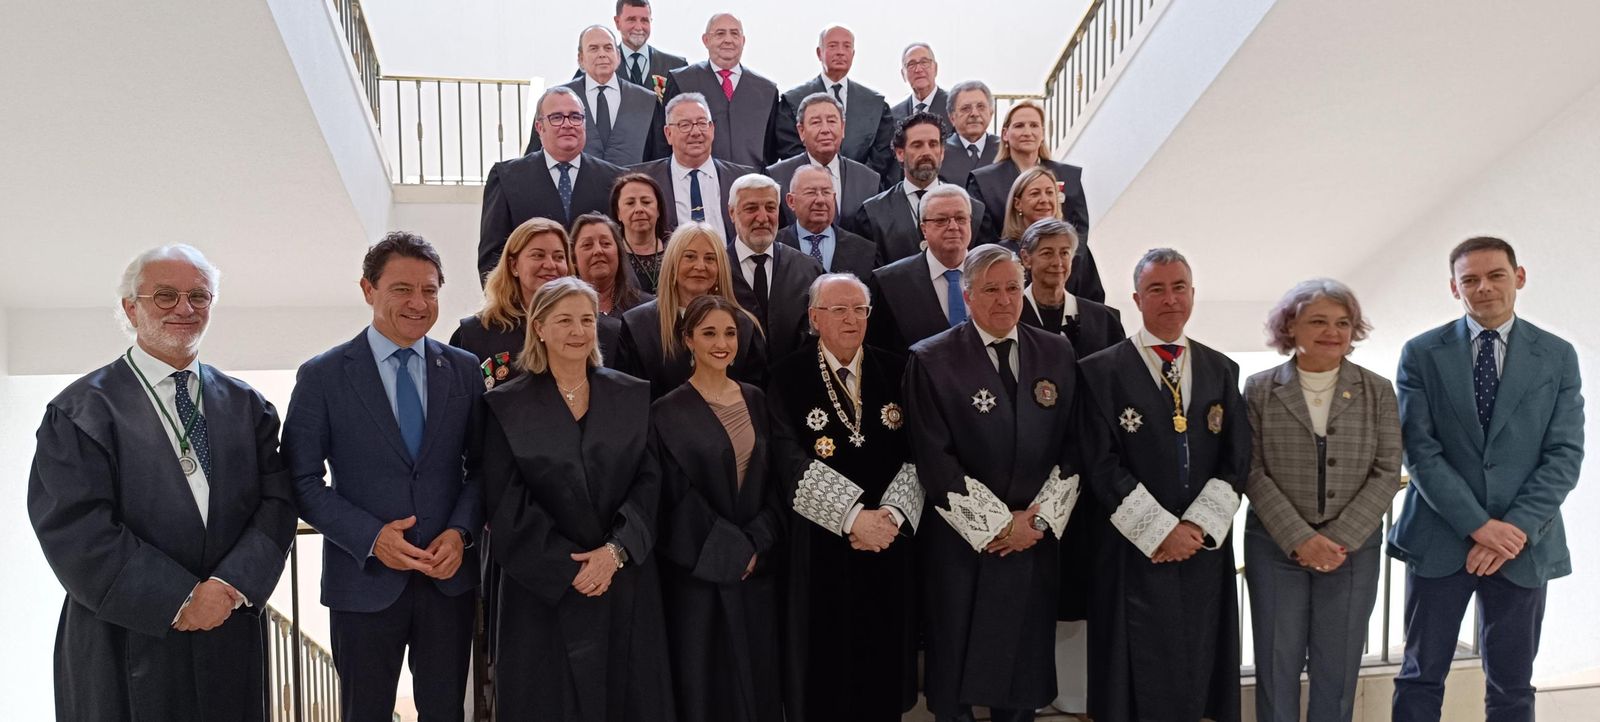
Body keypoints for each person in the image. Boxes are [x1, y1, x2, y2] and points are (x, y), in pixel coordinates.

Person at [27, 245, 297, 721]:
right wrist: (179, 598)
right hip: (124, 632)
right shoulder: (78, 411)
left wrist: (228, 587)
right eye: (165, 296)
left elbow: (276, 502)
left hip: (226, 624)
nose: (184, 308)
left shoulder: (247, 405)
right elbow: (76, 528)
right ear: (131, 308)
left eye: (199, 296)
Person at [283, 232, 484, 722]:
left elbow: (483, 469)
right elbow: (300, 480)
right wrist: (372, 538)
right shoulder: (323, 376)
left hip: (447, 581)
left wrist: (460, 534)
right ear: (368, 290)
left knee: (447, 712)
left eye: (430, 290)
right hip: (364, 581)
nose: (418, 303)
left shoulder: (463, 369)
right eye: (401, 289)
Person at [1389, 237, 1583, 722]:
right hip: (1439, 538)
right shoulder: (1421, 353)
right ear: (1454, 288)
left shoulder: (1557, 356)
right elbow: (1421, 450)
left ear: (1518, 277)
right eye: (1469, 279)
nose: (1484, 288)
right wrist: (1479, 526)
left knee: (1513, 685)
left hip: (1524, 544)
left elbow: (1564, 455)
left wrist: (1508, 531)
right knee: (1420, 677)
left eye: (1495, 275)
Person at [478, 277, 675, 721]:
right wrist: (570, 569)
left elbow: (650, 482)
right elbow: (505, 502)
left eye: (587, 319)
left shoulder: (632, 394)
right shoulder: (504, 405)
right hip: (542, 593)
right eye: (564, 320)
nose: (578, 331)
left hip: (624, 581)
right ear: (539, 327)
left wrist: (615, 552)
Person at [905, 244, 1083, 722]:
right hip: (964, 547)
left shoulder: (1056, 350)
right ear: (967, 294)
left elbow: (1073, 445)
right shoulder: (932, 359)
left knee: (1019, 677)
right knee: (957, 674)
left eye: (1012, 287)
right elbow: (932, 457)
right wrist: (998, 525)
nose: (1005, 299)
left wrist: (1037, 522)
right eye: (991, 290)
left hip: (1033, 544)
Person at [1078, 248, 1247, 722]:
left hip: (1202, 552)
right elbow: (1100, 463)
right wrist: (1159, 531)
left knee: (1200, 667)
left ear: (1192, 294)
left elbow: (1237, 461)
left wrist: (1194, 528)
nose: (1170, 299)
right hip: (1132, 551)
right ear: (1136, 298)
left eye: (1179, 288)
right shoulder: (1099, 371)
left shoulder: (1221, 369)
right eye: (1157, 289)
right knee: (1133, 681)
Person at [1244, 278, 1402, 722]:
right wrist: (1299, 538)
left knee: (1338, 668)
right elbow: (1251, 470)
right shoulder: (1258, 389)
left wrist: (1339, 538)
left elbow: (1387, 470)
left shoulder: (1378, 390)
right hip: (1275, 549)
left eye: (1343, 322)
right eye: (1318, 321)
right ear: (1291, 326)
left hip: (1351, 553)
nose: (1332, 331)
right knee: (1277, 667)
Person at [769, 273, 921, 722]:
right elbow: (785, 454)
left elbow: (918, 449)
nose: (851, 319)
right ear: (815, 318)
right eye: (838, 309)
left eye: (859, 309)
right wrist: (853, 518)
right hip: (822, 546)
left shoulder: (897, 369)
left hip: (888, 543)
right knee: (827, 668)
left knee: (883, 663)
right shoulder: (786, 375)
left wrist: (889, 517)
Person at [652, 294, 786, 722]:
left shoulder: (758, 400)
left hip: (756, 571)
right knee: (707, 689)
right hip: (698, 576)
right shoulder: (665, 412)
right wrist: (731, 552)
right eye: (709, 333)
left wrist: (756, 543)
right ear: (688, 339)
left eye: (729, 333)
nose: (722, 343)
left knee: (759, 684)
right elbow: (672, 498)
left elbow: (776, 483)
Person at [1014, 217, 1124, 716]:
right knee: (1036, 585)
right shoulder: (1014, 316)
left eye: (1065, 254)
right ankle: (1035, 690)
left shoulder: (1104, 320)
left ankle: (1078, 695)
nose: (1057, 264)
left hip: (1091, 475)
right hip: (1029, 473)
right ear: (1027, 260)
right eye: (1047, 254)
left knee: (1083, 582)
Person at [481, 86, 627, 281]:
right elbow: (492, 256)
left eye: (575, 117)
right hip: (529, 304)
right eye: (557, 117)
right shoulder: (507, 178)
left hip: (596, 303)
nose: (567, 124)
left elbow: (624, 249)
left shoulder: (614, 179)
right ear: (540, 127)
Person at [614, 222, 769, 399]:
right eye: (689, 257)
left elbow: (754, 400)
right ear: (672, 263)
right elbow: (629, 400)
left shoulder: (744, 327)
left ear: (720, 269)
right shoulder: (638, 326)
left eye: (710, 258)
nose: (700, 266)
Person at [966, 101, 1100, 301]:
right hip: (1010, 276)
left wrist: (1062, 266)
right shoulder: (983, 181)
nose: (1027, 132)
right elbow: (983, 239)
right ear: (1005, 134)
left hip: (1070, 274)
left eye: (1034, 125)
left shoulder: (1069, 175)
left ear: (1043, 132)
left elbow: (1080, 227)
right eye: (1019, 126)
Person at [852, 111, 991, 265]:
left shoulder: (974, 211)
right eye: (917, 145)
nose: (926, 152)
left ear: (942, 152)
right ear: (900, 153)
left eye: (933, 144)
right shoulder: (872, 214)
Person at [452, 217, 573, 390]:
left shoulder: (590, 328)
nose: (550, 264)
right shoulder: (476, 333)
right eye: (538, 255)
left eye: (559, 257)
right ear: (513, 265)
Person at [530, 25, 667, 165]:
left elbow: (659, 157)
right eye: (593, 48)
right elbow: (535, 155)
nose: (602, 54)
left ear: (618, 56)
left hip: (631, 183)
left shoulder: (646, 100)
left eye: (608, 48)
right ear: (580, 59)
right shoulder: (553, 100)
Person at [632, 92, 759, 242]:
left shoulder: (743, 178)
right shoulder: (642, 180)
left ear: (711, 129)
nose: (696, 132)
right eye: (685, 125)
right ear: (668, 133)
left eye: (702, 123)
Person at [726, 173, 826, 362]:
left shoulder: (807, 270)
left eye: (770, 208)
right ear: (732, 213)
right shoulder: (716, 269)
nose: (763, 218)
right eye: (751, 208)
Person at [867, 184, 975, 356]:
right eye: (941, 220)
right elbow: (879, 351)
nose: (953, 226)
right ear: (924, 228)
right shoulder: (889, 282)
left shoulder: (990, 273)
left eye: (961, 218)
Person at [776, 25, 897, 179]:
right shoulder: (792, 100)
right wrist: (820, 177)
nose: (840, 52)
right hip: (808, 186)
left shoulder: (876, 104)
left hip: (862, 190)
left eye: (846, 46)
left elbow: (882, 152)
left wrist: (857, 180)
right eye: (833, 46)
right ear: (819, 53)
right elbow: (789, 148)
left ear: (853, 54)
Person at [662, 13, 779, 168]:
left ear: (743, 41)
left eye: (735, 34)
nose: (728, 40)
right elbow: (664, 141)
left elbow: (771, 150)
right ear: (706, 40)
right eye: (720, 34)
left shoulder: (767, 90)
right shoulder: (681, 81)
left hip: (751, 184)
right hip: (695, 182)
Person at [767, 93, 882, 223]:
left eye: (832, 121)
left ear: (843, 128)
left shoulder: (869, 180)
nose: (825, 130)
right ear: (801, 131)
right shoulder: (776, 177)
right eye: (816, 122)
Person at [1000, 168, 1104, 301]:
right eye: (1035, 193)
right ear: (1018, 204)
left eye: (1050, 193)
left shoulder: (1076, 249)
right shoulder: (1004, 253)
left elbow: (1094, 299)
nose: (1044, 200)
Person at [777, 163, 878, 280]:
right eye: (811, 192)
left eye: (826, 192)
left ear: (834, 198)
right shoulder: (774, 247)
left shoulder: (864, 250)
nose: (820, 200)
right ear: (791, 201)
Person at [573, 211, 652, 317]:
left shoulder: (648, 309)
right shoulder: (562, 309)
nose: (598, 251)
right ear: (573, 258)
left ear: (619, 253)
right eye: (587, 245)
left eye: (605, 243)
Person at [611, 172, 671, 294]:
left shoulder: (675, 250)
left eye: (646, 202)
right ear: (618, 213)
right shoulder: (611, 254)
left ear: (658, 209)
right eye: (630, 203)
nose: (639, 209)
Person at [611, 0, 688, 88]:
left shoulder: (677, 66)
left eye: (644, 20)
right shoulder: (602, 65)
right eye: (631, 20)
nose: (638, 27)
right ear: (617, 22)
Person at [939, 80, 998, 185]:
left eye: (981, 107)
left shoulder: (1004, 149)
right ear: (952, 117)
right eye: (966, 108)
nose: (974, 114)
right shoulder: (940, 152)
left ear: (991, 113)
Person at [892, 42, 951, 136]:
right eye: (911, 64)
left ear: (935, 68)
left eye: (924, 62)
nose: (918, 69)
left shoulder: (953, 106)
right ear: (903, 74)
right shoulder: (893, 115)